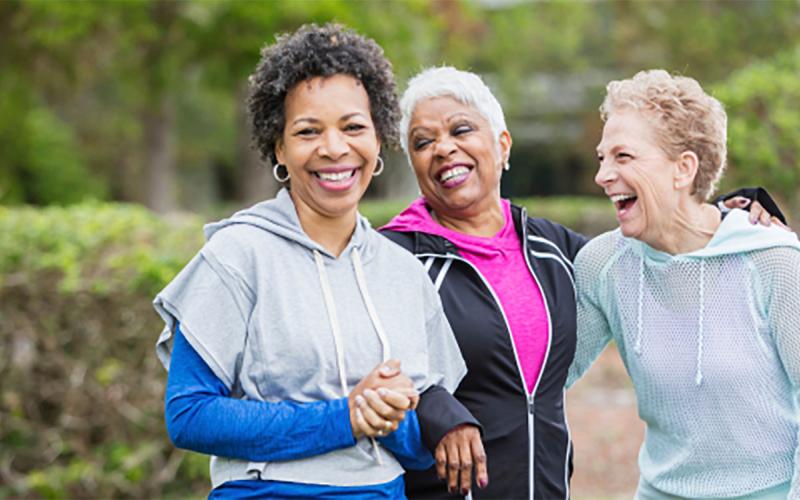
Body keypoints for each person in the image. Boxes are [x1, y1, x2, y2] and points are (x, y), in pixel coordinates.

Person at [378, 66, 783, 500]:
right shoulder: (390, 257)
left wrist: (725, 217)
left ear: (502, 145)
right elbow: (363, 362)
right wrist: (436, 407)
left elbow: (662, 247)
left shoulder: (552, 248)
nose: (443, 148)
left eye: (461, 129)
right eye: (422, 142)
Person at [152, 24, 469, 498]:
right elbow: (189, 415)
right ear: (279, 147)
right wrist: (344, 417)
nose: (335, 148)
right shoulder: (238, 254)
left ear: (379, 138)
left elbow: (419, 446)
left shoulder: (403, 273)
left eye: (353, 127)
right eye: (308, 131)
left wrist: (392, 416)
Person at [568, 69, 799, 499]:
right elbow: (546, 374)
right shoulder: (603, 263)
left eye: (623, 156)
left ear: (684, 169)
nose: (602, 175)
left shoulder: (773, 260)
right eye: (602, 158)